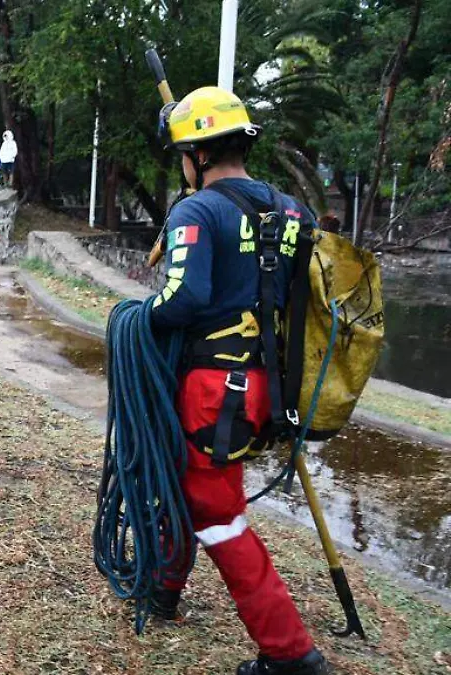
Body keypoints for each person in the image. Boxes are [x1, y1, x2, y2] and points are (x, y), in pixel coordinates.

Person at [148, 86, 329, 675]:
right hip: (268, 387)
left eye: (182, 152)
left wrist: (136, 318)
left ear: (197, 154)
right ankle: (164, 586)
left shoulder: (197, 210)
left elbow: (182, 299)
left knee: (218, 516)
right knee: (186, 485)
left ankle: (291, 653)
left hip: (212, 388)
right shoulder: (291, 210)